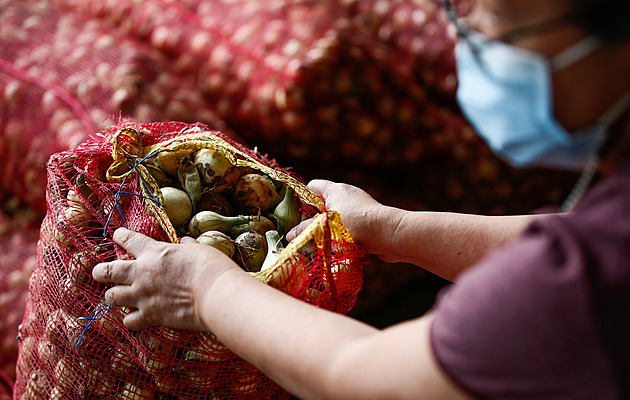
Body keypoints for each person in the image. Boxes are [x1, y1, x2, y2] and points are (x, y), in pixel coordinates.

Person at [92, 0, 630, 398]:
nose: (471, 38)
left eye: (495, 18)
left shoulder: (581, 287)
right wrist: (390, 227)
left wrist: (207, 290)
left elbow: (362, 375)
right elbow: (571, 239)